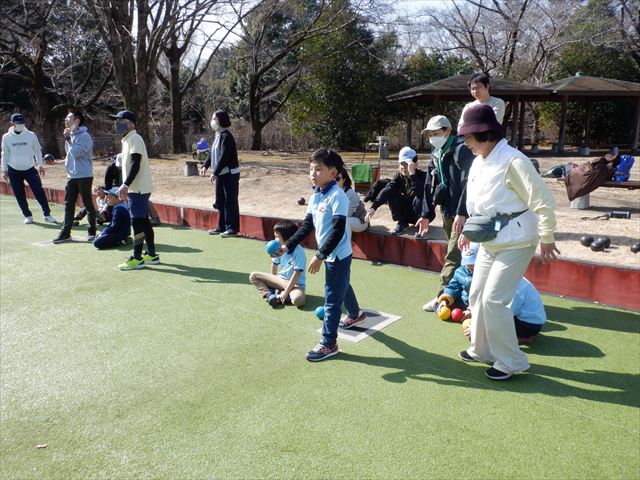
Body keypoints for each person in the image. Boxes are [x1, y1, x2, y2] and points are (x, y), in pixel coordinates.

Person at [457, 104, 560, 381]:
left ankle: (512, 360)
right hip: (490, 240)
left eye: (468, 136)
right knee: (477, 294)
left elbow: (543, 201)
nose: (465, 141)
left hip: (517, 241)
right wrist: (467, 229)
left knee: (494, 300)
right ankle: (481, 349)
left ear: (484, 133)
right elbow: (479, 204)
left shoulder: (514, 161)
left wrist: (547, 237)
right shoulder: (480, 160)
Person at [280, 148, 366, 362]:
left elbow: (337, 231)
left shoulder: (338, 196)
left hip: (337, 254)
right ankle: (355, 314)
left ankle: (329, 343)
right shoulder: (316, 194)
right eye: (311, 169)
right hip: (330, 254)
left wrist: (319, 255)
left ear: (333, 172)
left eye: (318, 169)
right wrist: (288, 245)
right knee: (341, 284)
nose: (313, 173)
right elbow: (307, 225)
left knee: (331, 299)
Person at [417, 115, 475, 312]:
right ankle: (460, 296)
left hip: (462, 214)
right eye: (430, 134)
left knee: (453, 254)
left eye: (436, 133)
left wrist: (462, 212)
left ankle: (441, 297)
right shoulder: (436, 153)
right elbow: (429, 185)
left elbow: (469, 182)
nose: (433, 137)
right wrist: (426, 214)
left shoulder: (463, 150)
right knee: (461, 256)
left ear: (448, 131)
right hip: (447, 211)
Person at [439, 243, 547, 346]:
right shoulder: (501, 277)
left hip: (528, 324)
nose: (471, 269)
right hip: (515, 315)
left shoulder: (511, 283)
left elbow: (503, 314)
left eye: (474, 266)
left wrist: (478, 329)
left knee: (495, 327)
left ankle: (522, 337)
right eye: (468, 267)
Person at [110, 110, 159, 270]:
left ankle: (137, 257)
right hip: (137, 188)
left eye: (120, 121)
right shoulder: (128, 139)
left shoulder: (135, 138)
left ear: (130, 123)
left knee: (137, 222)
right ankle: (151, 254)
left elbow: (135, 164)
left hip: (137, 189)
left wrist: (125, 185)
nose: (117, 123)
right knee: (144, 221)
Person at [1, 113, 57, 224]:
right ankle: (27, 215)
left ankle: (47, 214)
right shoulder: (6, 137)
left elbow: (37, 151)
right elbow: (5, 154)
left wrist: (40, 165)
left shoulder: (31, 135)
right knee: (19, 194)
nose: (20, 125)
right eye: (18, 123)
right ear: (11, 123)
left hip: (30, 169)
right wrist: (5, 169)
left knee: (39, 191)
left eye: (22, 123)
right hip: (13, 170)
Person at [53, 108, 96, 243]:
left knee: (88, 204)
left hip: (84, 175)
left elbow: (77, 152)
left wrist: (69, 140)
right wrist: (56, 162)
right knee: (68, 204)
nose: (65, 120)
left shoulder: (84, 136)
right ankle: (65, 232)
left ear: (77, 121)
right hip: (71, 176)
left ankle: (92, 232)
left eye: (68, 118)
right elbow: (70, 157)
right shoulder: (69, 136)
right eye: (65, 118)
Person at [364, 147, 426, 235]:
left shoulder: (424, 176)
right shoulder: (399, 176)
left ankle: (421, 224)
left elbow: (421, 194)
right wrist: (374, 207)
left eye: (406, 164)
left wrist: (413, 175)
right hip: (407, 211)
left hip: (421, 214)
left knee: (419, 199)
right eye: (401, 164)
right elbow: (388, 190)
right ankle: (402, 222)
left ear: (415, 164)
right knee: (391, 192)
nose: (403, 167)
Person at [200, 110, 240, 238]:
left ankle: (232, 228)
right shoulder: (217, 135)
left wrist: (215, 172)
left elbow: (225, 156)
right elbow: (212, 154)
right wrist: (205, 166)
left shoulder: (226, 136)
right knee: (220, 201)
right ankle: (221, 227)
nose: (212, 121)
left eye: (214, 119)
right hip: (220, 174)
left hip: (229, 174)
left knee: (230, 201)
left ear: (221, 120)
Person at [249, 220, 306, 308]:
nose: (275, 239)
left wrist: (286, 291)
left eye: (277, 236)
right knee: (253, 276)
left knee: (298, 300)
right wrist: (272, 284)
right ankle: (269, 296)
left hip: (296, 285)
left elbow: (297, 273)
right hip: (280, 281)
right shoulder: (278, 249)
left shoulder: (299, 251)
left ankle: (282, 295)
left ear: (287, 237)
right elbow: (274, 266)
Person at [335, 166, 368, 233]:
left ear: (344, 180)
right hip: (341, 219)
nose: (334, 181)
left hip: (360, 221)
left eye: (337, 178)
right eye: (332, 178)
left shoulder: (350, 194)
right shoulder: (332, 193)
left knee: (343, 221)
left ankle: (346, 243)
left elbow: (348, 214)